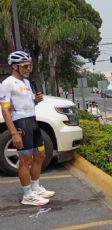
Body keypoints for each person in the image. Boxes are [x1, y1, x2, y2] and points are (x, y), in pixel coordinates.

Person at [0, 51, 54, 206]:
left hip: (32, 120)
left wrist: (36, 101)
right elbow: (5, 110)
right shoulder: (7, 83)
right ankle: (27, 195)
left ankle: (36, 188)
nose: (28, 69)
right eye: (25, 66)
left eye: (29, 66)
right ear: (15, 66)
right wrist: (14, 133)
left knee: (40, 155)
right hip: (21, 123)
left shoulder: (27, 82)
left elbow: (28, 104)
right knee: (25, 160)